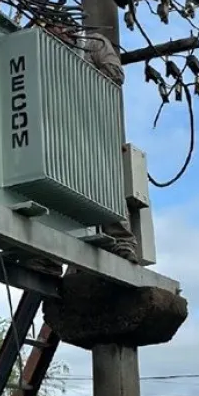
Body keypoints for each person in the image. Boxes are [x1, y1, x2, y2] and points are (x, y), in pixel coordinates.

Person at [21, 19, 141, 276]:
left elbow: (116, 75)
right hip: (60, 130)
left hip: (95, 127)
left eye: (54, 31)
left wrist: (76, 69)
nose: (52, 36)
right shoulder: (43, 50)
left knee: (105, 180)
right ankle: (47, 254)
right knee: (51, 182)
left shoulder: (94, 43)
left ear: (67, 28)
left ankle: (122, 242)